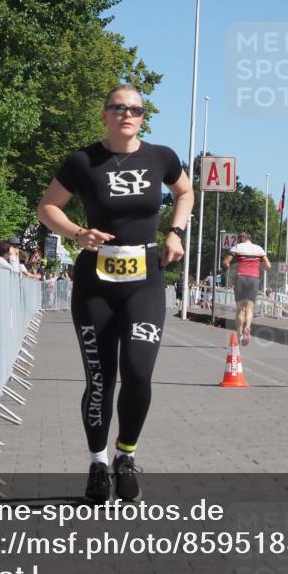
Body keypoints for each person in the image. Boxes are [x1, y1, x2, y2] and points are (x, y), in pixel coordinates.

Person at [37, 84, 193, 503]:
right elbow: (47, 207)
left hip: (145, 280)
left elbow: (185, 191)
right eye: (119, 108)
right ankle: (97, 464)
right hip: (95, 286)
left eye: (136, 110)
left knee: (139, 374)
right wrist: (77, 233)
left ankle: (126, 455)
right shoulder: (83, 160)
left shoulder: (162, 157)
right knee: (101, 380)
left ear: (143, 117)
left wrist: (176, 232)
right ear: (104, 114)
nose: (128, 114)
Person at [221, 232, 270, 346]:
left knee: (240, 309)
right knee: (249, 308)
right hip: (253, 279)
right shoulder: (259, 249)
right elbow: (268, 265)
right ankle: (247, 327)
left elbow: (225, 262)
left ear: (243, 238)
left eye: (240, 238)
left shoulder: (238, 247)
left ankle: (239, 334)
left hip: (241, 278)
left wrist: (229, 267)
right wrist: (258, 267)